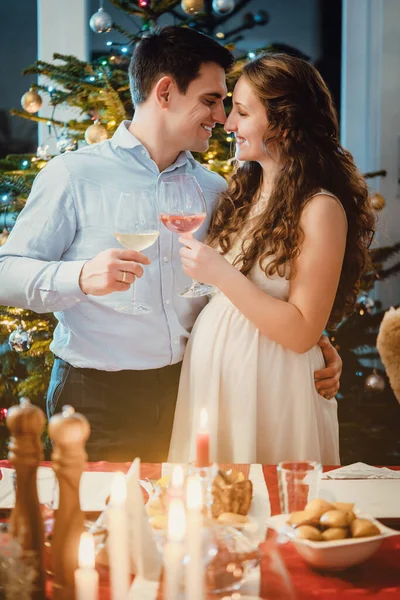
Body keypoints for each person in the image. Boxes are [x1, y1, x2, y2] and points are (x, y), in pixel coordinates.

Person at [0, 28, 342, 462]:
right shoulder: (73, 174)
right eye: (211, 100)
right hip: (99, 395)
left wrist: (316, 343)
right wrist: (82, 276)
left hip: (193, 389)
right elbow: (6, 272)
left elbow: (252, 278)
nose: (221, 117)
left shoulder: (215, 188)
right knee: (102, 521)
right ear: (165, 92)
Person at [168, 53, 376, 465]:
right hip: (217, 385)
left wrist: (221, 275)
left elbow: (300, 331)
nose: (228, 123)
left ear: (283, 123)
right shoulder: (241, 195)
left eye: (242, 113)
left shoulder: (320, 208)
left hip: (274, 389)